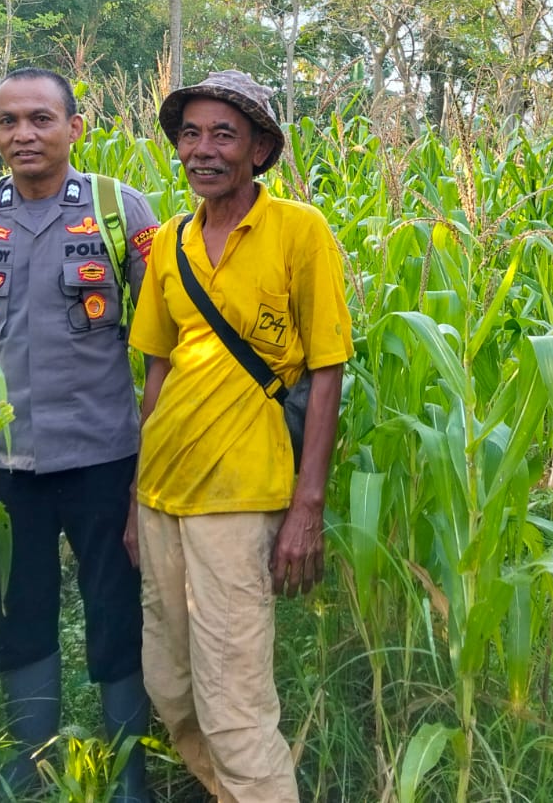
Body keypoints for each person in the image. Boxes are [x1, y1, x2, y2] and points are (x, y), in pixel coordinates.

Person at [124, 70, 352, 803]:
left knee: (235, 704)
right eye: (190, 133)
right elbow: (158, 370)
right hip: (163, 492)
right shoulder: (171, 241)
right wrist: (135, 499)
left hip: (242, 493)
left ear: (259, 148)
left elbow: (326, 372)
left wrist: (306, 506)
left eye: (224, 133)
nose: (202, 149)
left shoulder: (298, 231)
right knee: (171, 688)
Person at [0, 67, 158, 800]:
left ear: (73, 128)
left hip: (104, 459)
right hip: (4, 464)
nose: (22, 134)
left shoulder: (119, 210)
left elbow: (164, 339)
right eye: (7, 122)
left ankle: (128, 775)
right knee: (16, 617)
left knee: (117, 616)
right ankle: (31, 768)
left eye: (39, 119)